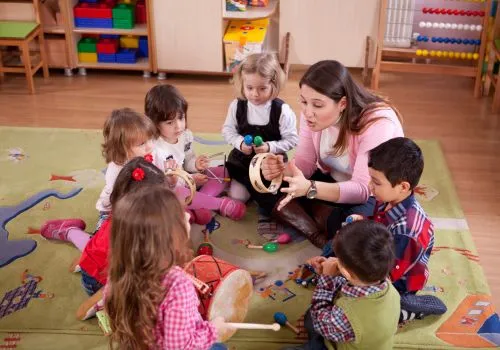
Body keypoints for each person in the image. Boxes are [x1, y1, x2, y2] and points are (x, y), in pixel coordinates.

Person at [261, 60, 404, 247]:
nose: (308, 112)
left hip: (370, 194)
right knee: (264, 180)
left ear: (342, 103)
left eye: (318, 105)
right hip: (329, 182)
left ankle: (318, 217)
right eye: (304, 102)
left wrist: (309, 189)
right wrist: (282, 170)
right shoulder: (310, 114)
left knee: (359, 232)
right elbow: (305, 162)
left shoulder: (378, 124)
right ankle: (317, 231)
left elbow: (363, 189)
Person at [104, 183, 228, 350]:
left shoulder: (120, 271)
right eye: (179, 215)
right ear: (166, 237)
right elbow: (180, 347)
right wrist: (214, 330)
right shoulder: (178, 285)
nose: (187, 215)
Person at [344, 137, 446, 322]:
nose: (370, 187)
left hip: (398, 280)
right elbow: (379, 223)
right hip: (384, 253)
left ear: (403, 187)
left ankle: (408, 307)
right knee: (339, 246)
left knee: (361, 314)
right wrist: (363, 221)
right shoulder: (388, 199)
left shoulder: (407, 233)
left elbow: (386, 277)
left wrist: (347, 272)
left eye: (376, 182)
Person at [39, 157, 166, 296]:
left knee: (92, 245)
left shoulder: (129, 213)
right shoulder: (129, 237)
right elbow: (132, 278)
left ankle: (70, 231)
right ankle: (69, 232)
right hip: (98, 282)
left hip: (100, 257)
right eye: (158, 201)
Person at [287, 220, 400, 350]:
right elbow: (351, 287)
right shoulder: (387, 285)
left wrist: (326, 279)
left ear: (346, 272)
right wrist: (331, 275)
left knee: (313, 319)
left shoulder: (348, 314)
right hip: (368, 337)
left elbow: (319, 322)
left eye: (338, 259)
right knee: (310, 317)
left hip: (340, 340)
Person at [145, 84, 246, 221]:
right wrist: (191, 180)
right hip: (170, 190)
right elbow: (165, 183)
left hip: (188, 182)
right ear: (155, 123)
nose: (178, 126)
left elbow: (188, 159)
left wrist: (196, 165)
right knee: (178, 193)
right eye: (170, 122)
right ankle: (217, 204)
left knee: (223, 172)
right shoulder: (155, 148)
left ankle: (200, 204)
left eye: (181, 118)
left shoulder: (184, 135)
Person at [222, 52, 299, 208]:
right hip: (242, 163)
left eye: (262, 88)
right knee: (238, 198)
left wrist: (270, 147)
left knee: (273, 199)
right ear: (242, 84)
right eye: (249, 88)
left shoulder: (282, 111)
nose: (255, 94)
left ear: (274, 85)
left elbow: (292, 140)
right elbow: (228, 131)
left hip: (271, 165)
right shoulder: (237, 106)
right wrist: (240, 143)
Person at [95, 108, 155, 230]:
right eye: (142, 143)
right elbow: (119, 200)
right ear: (122, 148)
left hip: (137, 201)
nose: (150, 146)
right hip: (114, 209)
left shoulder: (142, 155)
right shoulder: (116, 171)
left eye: (150, 139)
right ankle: (70, 231)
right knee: (105, 242)